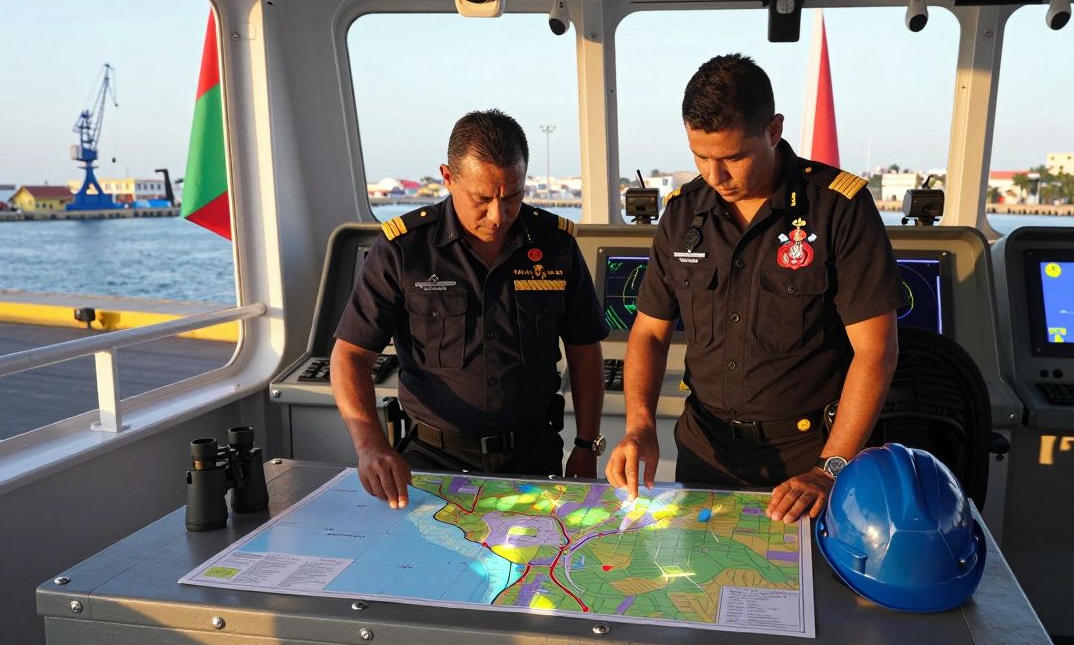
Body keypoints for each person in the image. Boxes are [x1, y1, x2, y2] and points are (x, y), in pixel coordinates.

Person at [604, 54, 903, 522]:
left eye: (733, 157)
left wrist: (830, 467)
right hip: (705, 453)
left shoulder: (839, 209)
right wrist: (640, 425)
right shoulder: (683, 214)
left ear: (774, 130)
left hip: (808, 460)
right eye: (700, 157)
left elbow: (876, 351)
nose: (714, 176)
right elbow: (648, 333)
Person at [331, 109, 608, 509]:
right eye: (482, 198)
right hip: (433, 461)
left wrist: (586, 446)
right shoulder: (402, 250)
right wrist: (370, 444)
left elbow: (585, 350)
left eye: (512, 197)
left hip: (533, 457)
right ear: (448, 177)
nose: (498, 216)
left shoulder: (556, 245)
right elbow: (351, 354)